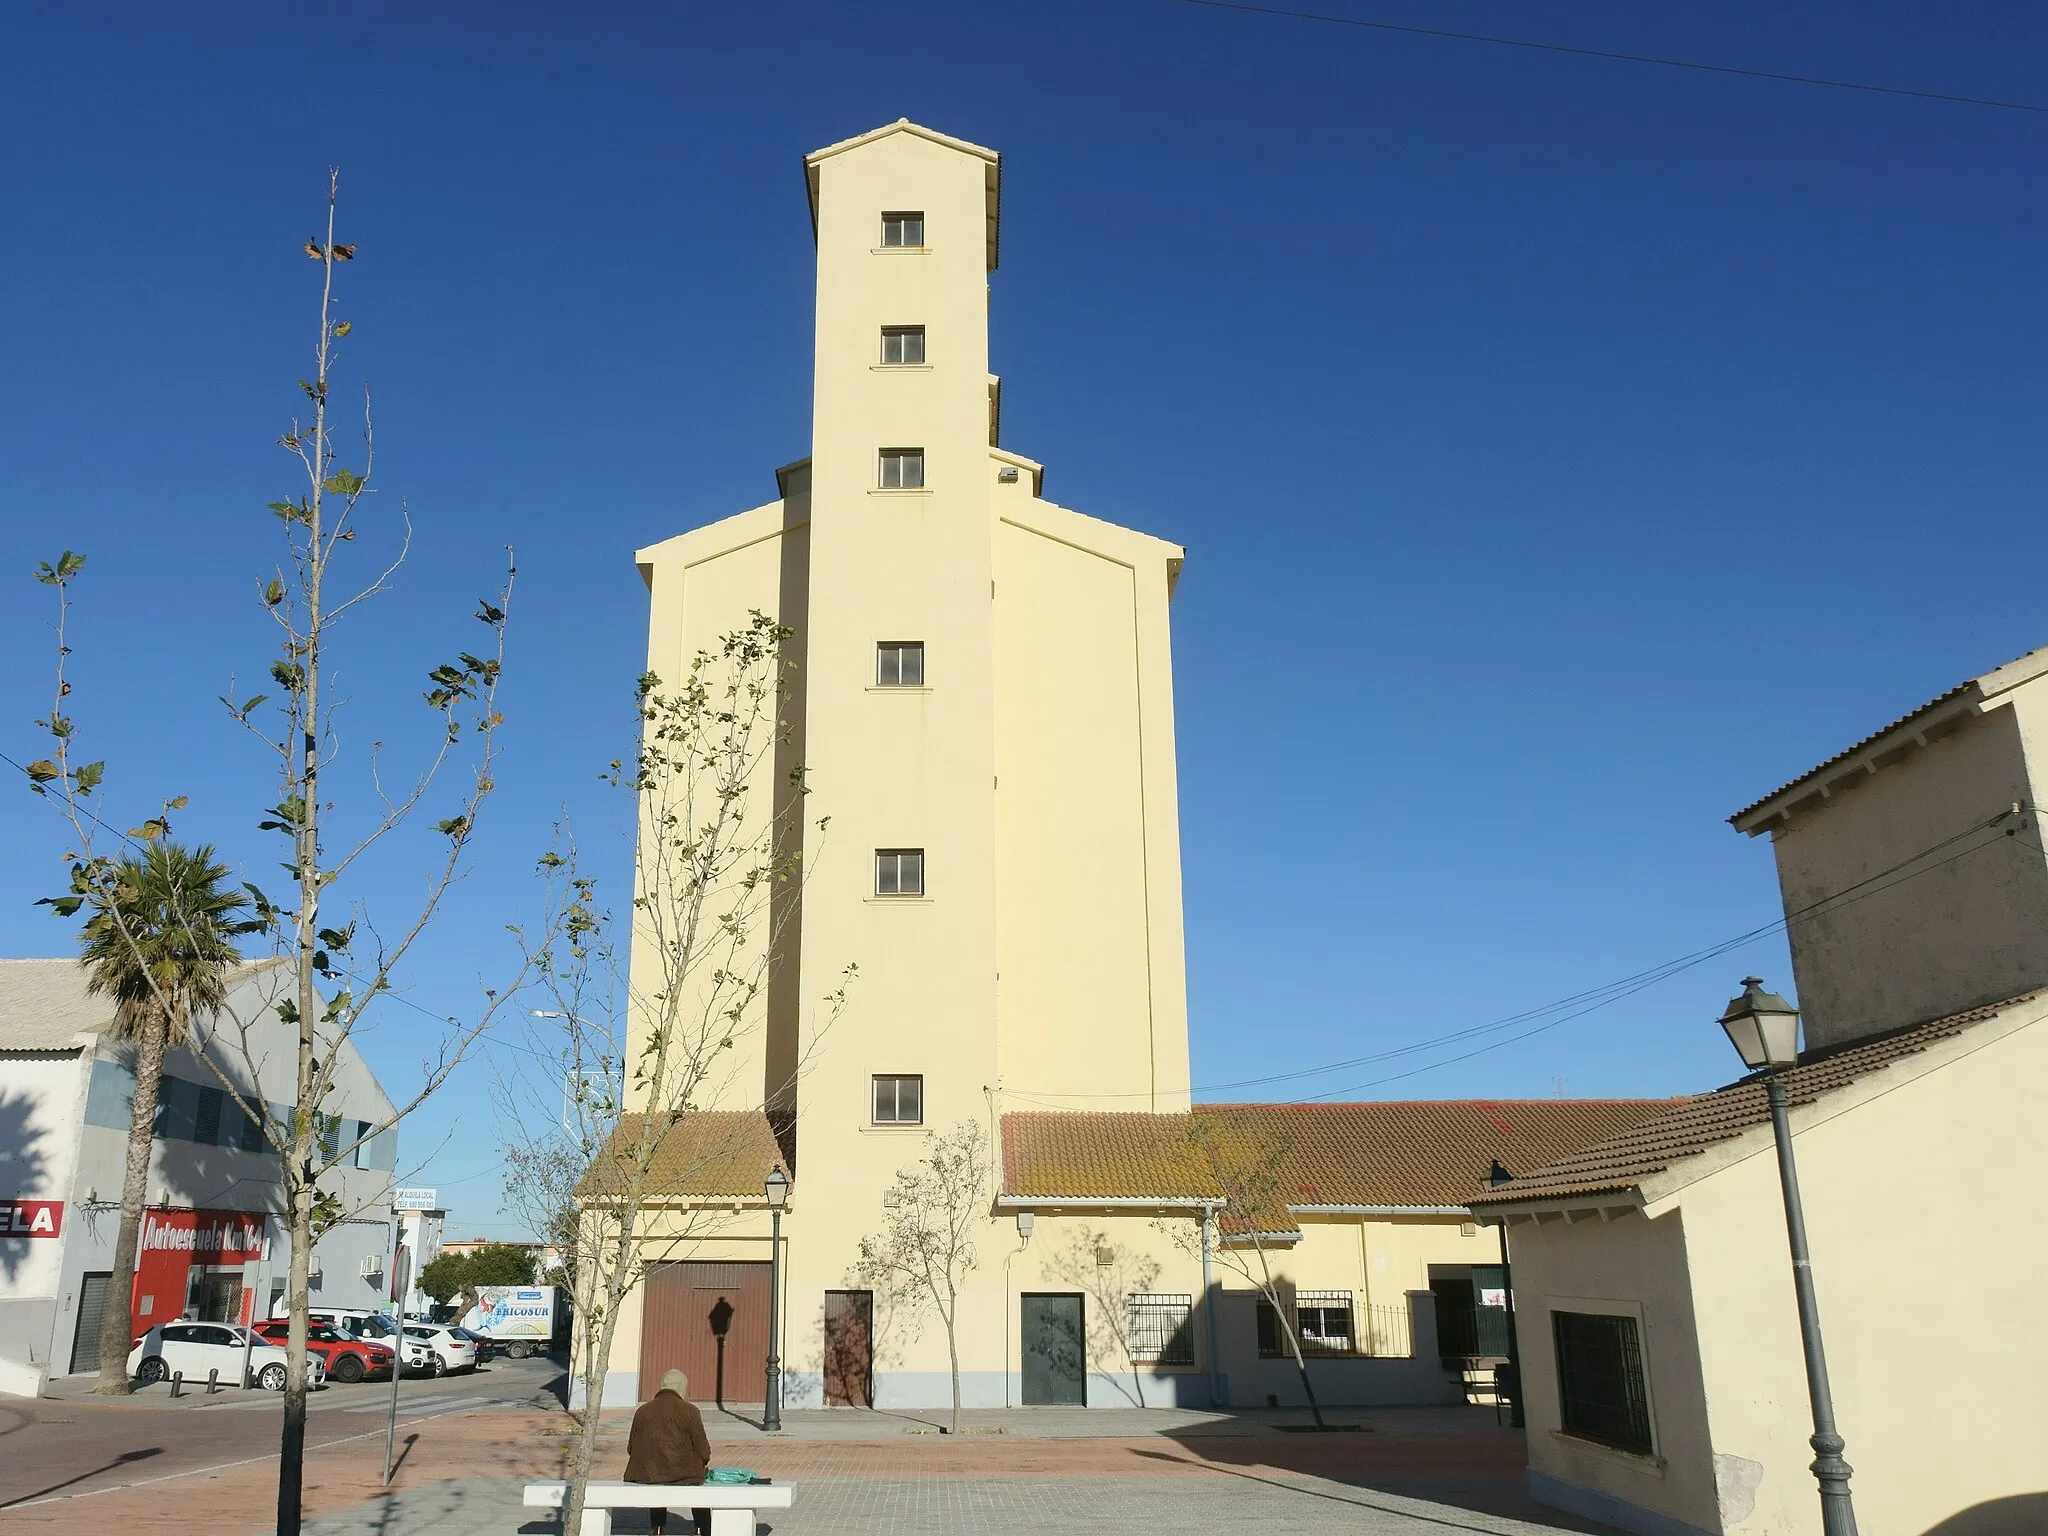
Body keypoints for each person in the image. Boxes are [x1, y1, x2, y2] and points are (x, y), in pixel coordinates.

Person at [626, 1367, 711, 1536]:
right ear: (682, 1387)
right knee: (698, 1479)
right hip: (683, 1474)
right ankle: (700, 1529)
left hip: (646, 1474)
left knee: (656, 1475)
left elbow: (631, 1448)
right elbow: (704, 1450)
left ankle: (657, 1529)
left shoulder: (642, 1411)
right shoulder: (690, 1411)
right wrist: (702, 1461)